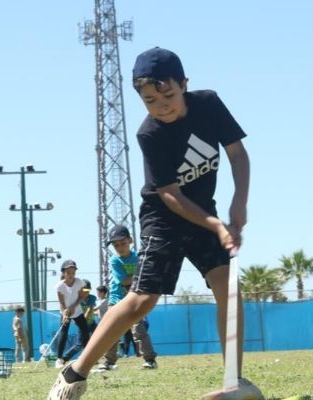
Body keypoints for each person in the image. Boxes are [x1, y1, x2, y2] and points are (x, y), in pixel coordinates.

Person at [47, 47, 264, 400]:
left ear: (184, 84)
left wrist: (239, 201)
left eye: (168, 95)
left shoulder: (209, 104)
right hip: (164, 219)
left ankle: (234, 382)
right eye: (150, 100)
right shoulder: (150, 134)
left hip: (204, 213)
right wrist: (215, 224)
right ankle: (74, 373)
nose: (162, 106)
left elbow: (237, 153)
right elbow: (169, 195)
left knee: (227, 284)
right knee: (142, 300)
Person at [95, 224, 157, 371]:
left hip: (134, 299)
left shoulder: (139, 257)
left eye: (123, 243)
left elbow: (144, 277)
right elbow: (124, 281)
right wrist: (139, 276)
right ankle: (109, 361)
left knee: (139, 329)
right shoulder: (114, 260)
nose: (120, 247)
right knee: (111, 330)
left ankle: (150, 360)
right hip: (116, 299)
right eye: (116, 245)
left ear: (130, 240)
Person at [54, 260, 92, 369]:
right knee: (63, 333)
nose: (71, 275)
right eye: (68, 272)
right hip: (65, 311)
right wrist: (65, 313)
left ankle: (87, 357)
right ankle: (59, 359)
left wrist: (73, 307)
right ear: (63, 273)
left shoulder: (79, 282)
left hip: (77, 311)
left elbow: (81, 296)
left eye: (73, 272)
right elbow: (61, 303)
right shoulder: (59, 286)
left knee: (85, 332)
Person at [61, 279, 98, 361]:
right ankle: (65, 358)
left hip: (92, 323)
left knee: (99, 338)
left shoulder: (92, 298)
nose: (86, 292)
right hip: (83, 325)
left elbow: (89, 309)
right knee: (79, 345)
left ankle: (92, 358)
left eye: (88, 290)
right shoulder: (77, 299)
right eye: (84, 290)